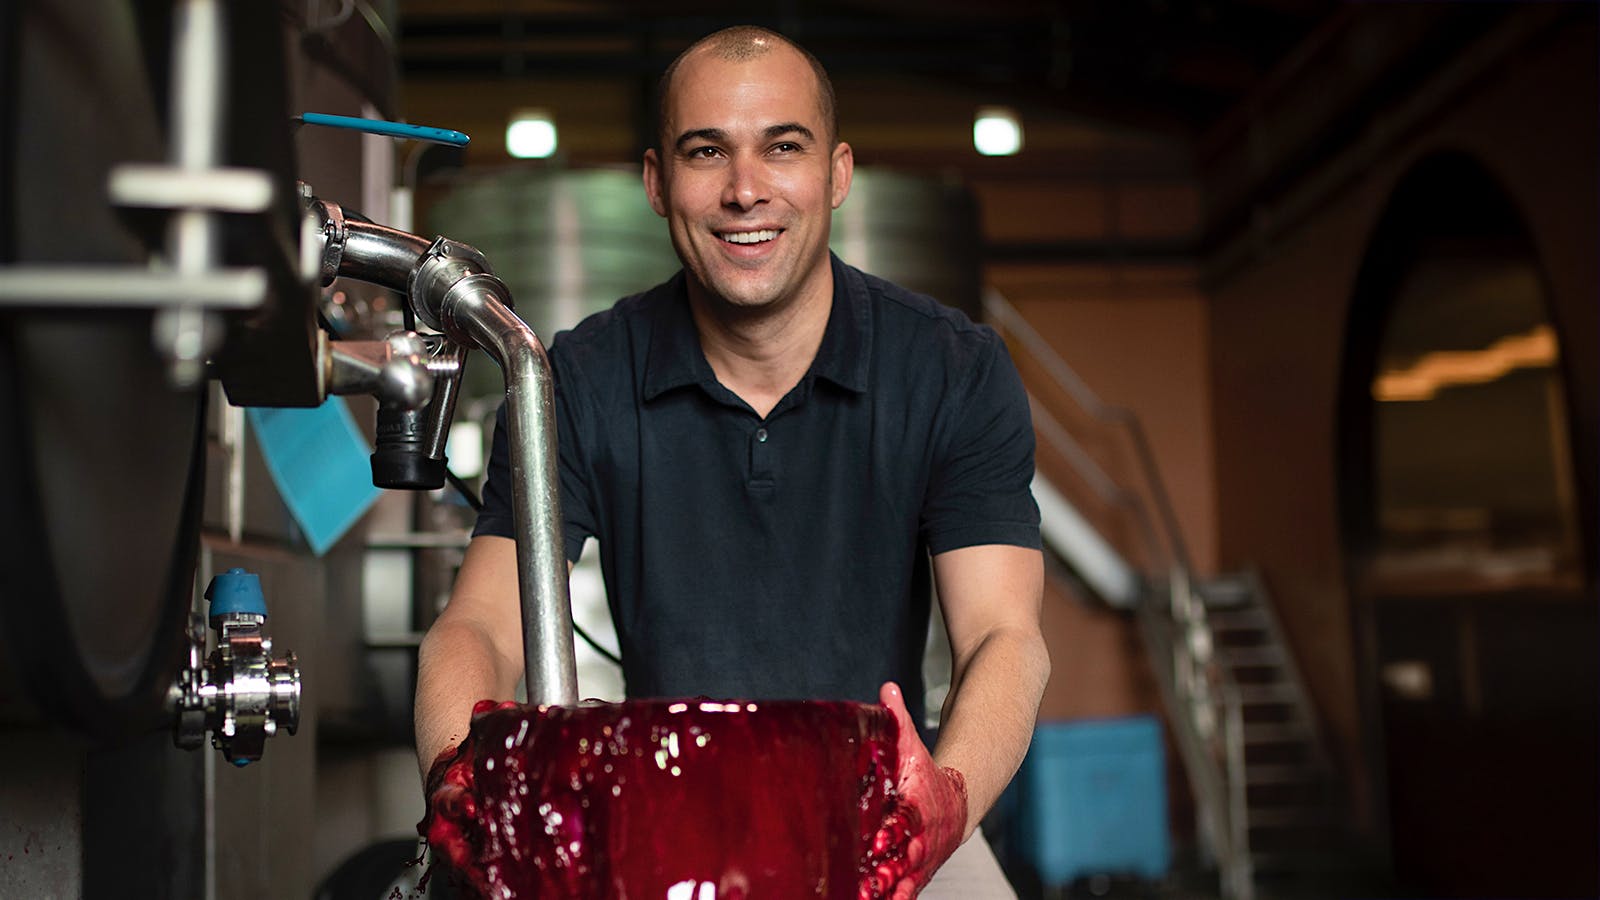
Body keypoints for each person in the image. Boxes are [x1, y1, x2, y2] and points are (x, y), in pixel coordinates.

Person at [414, 25, 1049, 898]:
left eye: (783, 147)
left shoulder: (953, 370)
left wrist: (943, 803)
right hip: (662, 814)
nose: (745, 190)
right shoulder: (579, 379)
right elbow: (480, 625)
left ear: (837, 173)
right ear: (656, 182)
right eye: (706, 151)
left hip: (886, 815)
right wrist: (461, 780)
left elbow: (1004, 637)